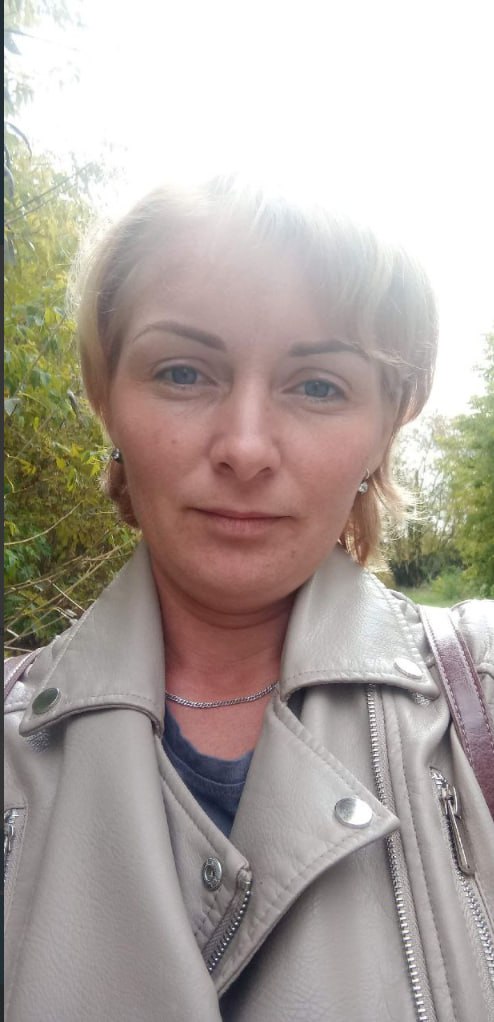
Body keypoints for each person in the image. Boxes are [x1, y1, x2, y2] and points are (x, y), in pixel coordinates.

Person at [4, 177, 494, 1022]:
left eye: (318, 386)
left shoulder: (479, 692)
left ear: (385, 427)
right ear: (107, 400)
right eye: (183, 372)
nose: (244, 446)